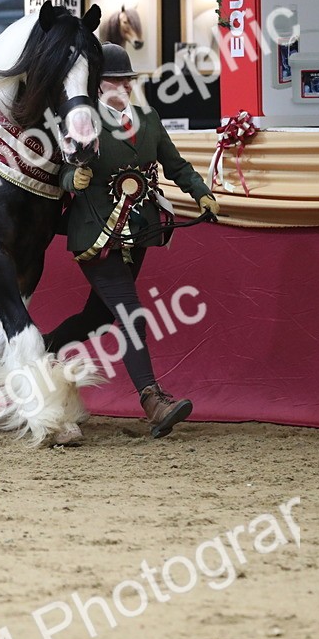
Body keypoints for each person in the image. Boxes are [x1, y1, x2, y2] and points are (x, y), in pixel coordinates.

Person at [46, 43, 220, 438]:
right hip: (94, 235)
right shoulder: (81, 123)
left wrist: (200, 192)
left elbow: (174, 164)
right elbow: (59, 174)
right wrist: (74, 179)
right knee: (129, 312)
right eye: (112, 81)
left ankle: (40, 350)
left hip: (137, 234)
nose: (121, 87)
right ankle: (152, 399)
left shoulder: (148, 119)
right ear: (96, 86)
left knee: (98, 317)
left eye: (126, 81)